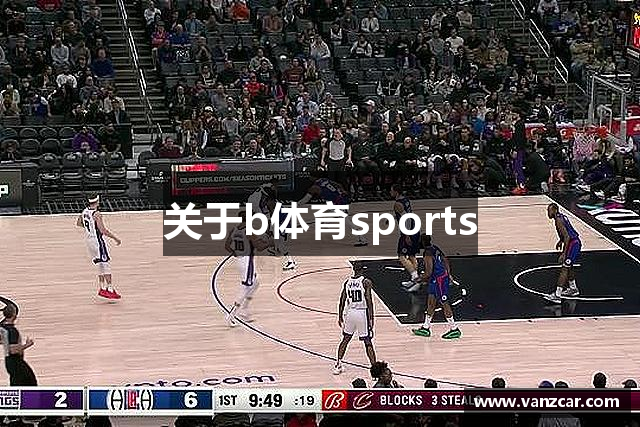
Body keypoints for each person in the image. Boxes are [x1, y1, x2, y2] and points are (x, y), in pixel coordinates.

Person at [224, 210, 272, 326]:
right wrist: (270, 243)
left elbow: (227, 246)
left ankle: (244, 310)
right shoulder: (249, 230)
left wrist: (235, 252)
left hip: (241, 260)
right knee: (245, 287)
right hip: (247, 262)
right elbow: (259, 247)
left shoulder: (234, 230)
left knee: (256, 283)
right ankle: (231, 315)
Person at [412, 235, 461, 339]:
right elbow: (445, 260)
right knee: (431, 302)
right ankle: (426, 327)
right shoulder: (435, 248)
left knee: (444, 303)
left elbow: (428, 272)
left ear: (422, 243)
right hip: (436, 279)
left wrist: (419, 279)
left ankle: (454, 328)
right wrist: (448, 273)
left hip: (440, 280)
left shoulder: (427, 253)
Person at [298, 173, 368, 246]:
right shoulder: (325, 180)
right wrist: (343, 191)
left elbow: (306, 199)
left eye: (310, 176)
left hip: (337, 203)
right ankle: (327, 223)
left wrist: (296, 205)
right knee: (332, 217)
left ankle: (362, 239)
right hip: (341, 200)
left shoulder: (315, 187)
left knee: (345, 221)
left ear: (312, 177)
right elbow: (339, 185)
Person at [76, 195, 122, 299]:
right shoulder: (97, 214)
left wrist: (90, 227)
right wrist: (115, 238)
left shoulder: (84, 211)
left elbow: (79, 223)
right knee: (105, 263)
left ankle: (102, 288)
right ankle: (110, 288)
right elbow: (103, 230)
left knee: (100, 264)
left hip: (89, 240)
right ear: (97, 201)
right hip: (97, 241)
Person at [247, 179, 296, 271]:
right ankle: (277, 250)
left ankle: (290, 261)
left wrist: (268, 230)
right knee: (278, 240)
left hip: (283, 221)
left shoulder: (266, 202)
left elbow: (270, 219)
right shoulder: (267, 199)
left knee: (279, 242)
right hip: (283, 219)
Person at [333, 272, 376, 375]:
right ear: (362, 270)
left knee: (345, 339)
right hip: (362, 313)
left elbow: (342, 300)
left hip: (350, 313)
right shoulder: (366, 282)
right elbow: (369, 300)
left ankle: (338, 364)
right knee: (367, 342)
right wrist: (371, 318)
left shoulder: (347, 282)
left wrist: (340, 315)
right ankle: (375, 370)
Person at [544, 203, 581, 303]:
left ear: (555, 210)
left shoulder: (558, 220)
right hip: (574, 242)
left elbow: (567, 237)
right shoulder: (561, 217)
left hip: (573, 244)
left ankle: (557, 295)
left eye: (549, 210)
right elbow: (565, 233)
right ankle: (573, 288)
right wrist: (561, 240)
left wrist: (564, 253)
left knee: (564, 268)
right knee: (569, 267)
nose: (548, 213)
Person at [390, 185, 421, 289]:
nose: (390, 192)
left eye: (391, 190)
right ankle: (414, 280)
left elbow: (406, 218)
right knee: (411, 255)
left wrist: (407, 234)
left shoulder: (397, 204)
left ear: (396, 192)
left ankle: (415, 277)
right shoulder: (405, 199)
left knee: (401, 255)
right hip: (414, 226)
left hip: (408, 229)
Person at [0, 304, 37, 386]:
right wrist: (27, 345)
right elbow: (13, 350)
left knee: (16, 383)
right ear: (14, 315)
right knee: (30, 382)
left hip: (9, 361)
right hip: (15, 361)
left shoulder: (2, 327)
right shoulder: (12, 330)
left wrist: (5, 342)